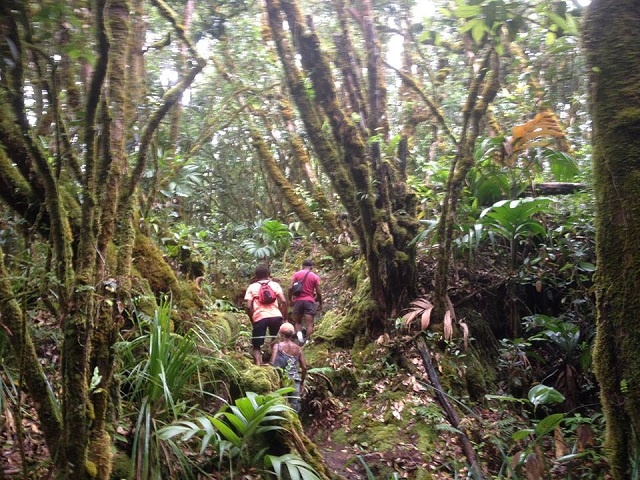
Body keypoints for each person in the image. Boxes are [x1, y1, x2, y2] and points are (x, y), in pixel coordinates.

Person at [244, 264, 287, 365]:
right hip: (276, 316)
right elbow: (284, 301)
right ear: (268, 274)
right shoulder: (275, 285)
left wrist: (252, 318)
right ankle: (274, 364)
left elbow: (249, 306)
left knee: (256, 345)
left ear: (256, 275)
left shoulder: (252, 287)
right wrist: (284, 318)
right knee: (276, 341)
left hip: (260, 317)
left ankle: (258, 366)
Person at [270, 322, 307, 412]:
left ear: (281, 334)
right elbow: (304, 367)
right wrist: (302, 382)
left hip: (282, 380)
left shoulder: (277, 346)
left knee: (283, 404)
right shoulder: (298, 348)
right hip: (295, 380)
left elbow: (272, 362)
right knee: (295, 405)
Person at [288, 259, 322, 344]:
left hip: (298, 301)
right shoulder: (315, 276)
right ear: (311, 267)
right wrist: (320, 303)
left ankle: (300, 339)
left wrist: (290, 299)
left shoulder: (296, 274)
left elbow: (290, 287)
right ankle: (307, 342)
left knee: (298, 321)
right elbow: (318, 292)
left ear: (302, 266)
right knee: (309, 324)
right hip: (309, 301)